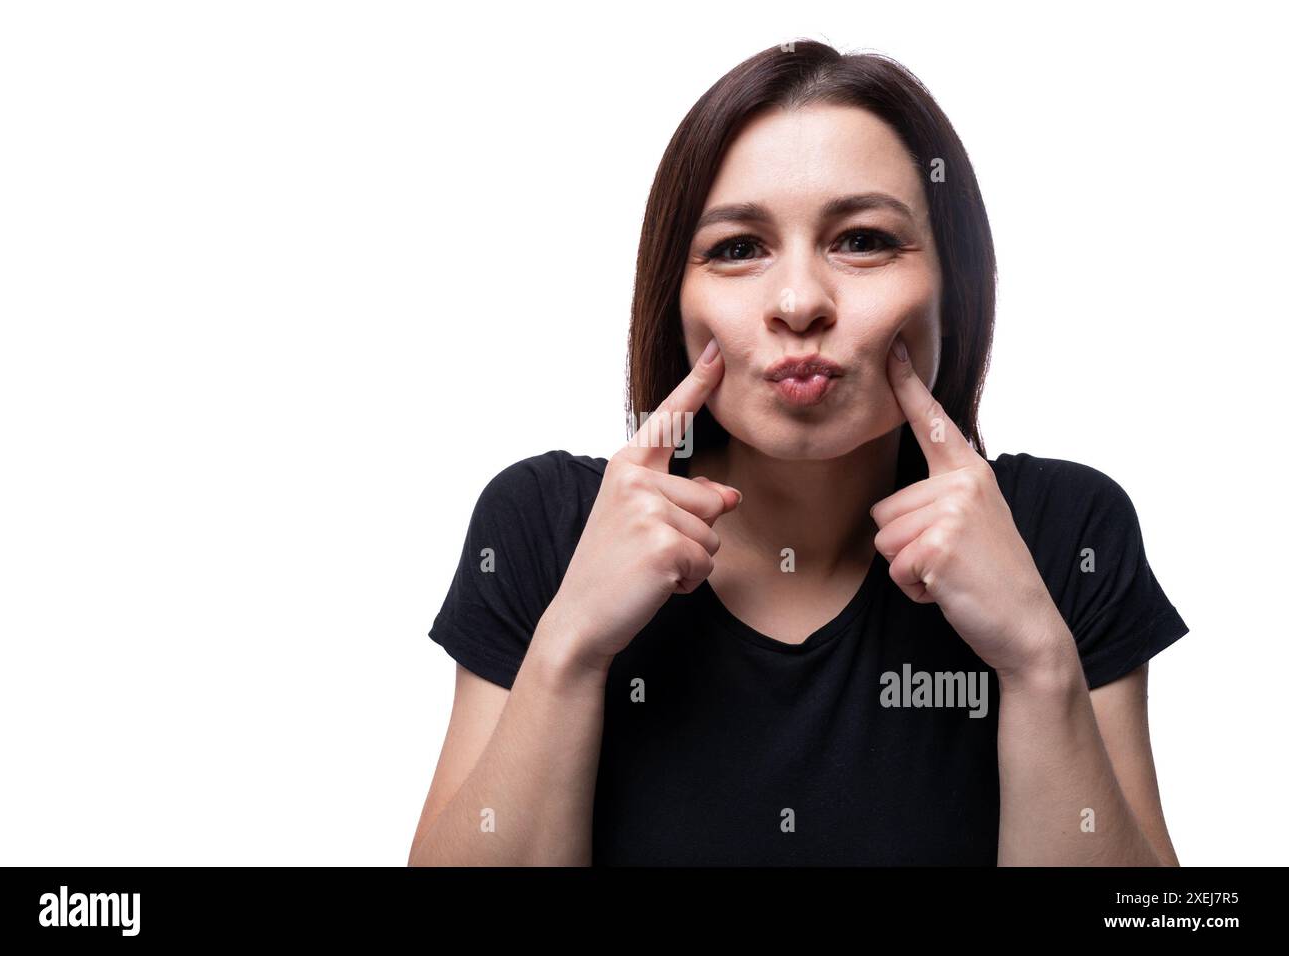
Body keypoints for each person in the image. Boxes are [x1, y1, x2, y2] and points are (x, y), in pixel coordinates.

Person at [408, 40, 1190, 866]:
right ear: (675, 298)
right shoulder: (542, 524)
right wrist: (568, 648)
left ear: (954, 288)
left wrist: (1039, 661)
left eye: (861, 240)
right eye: (739, 248)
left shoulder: (1068, 530)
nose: (799, 303)